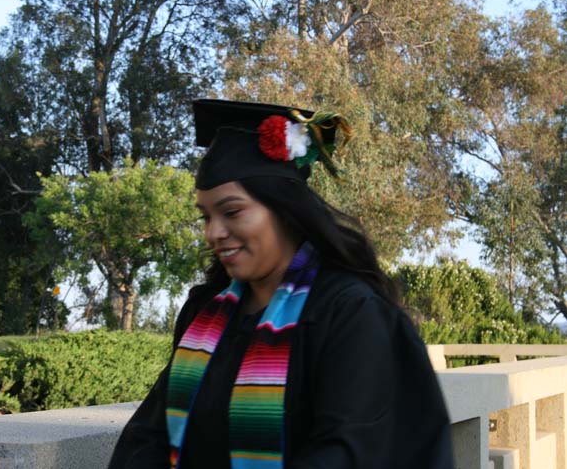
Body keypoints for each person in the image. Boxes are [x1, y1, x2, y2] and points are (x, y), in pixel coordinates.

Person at [108, 99, 454, 469]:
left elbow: (352, 451)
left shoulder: (349, 312)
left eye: (232, 212)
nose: (214, 233)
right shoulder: (205, 314)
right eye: (206, 216)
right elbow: (151, 435)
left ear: (285, 209)